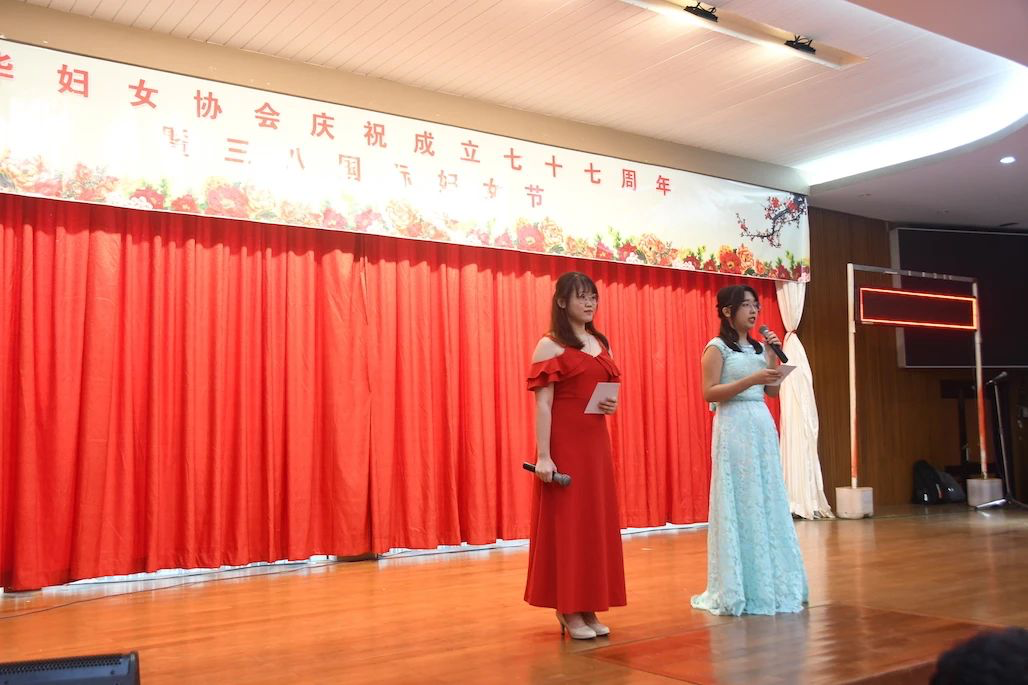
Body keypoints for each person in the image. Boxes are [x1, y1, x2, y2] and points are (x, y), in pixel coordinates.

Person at [691, 284, 808, 616]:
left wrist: (772, 361)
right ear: (728, 311)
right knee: (741, 499)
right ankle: (739, 585)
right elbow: (709, 393)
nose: (754, 311)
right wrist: (751, 380)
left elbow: (770, 392)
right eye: (746, 305)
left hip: (761, 424)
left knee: (766, 497)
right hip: (733, 425)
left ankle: (772, 580)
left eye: (756, 305)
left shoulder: (759, 346)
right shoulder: (716, 348)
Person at [525, 271, 625, 639]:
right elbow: (543, 405)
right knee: (569, 526)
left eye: (593, 296)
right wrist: (544, 456)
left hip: (595, 445)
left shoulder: (600, 342)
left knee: (592, 525)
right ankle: (568, 609)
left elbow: (602, 392)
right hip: (565, 445)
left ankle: (589, 605)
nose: (589, 303)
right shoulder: (549, 345)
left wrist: (611, 405)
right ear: (562, 301)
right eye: (581, 296)